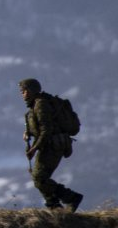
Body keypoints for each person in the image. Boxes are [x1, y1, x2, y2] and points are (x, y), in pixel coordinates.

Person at [20, 78, 84, 211]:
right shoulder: (37, 104)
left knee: (39, 177)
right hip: (51, 144)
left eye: (24, 91)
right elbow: (42, 128)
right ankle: (54, 206)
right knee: (39, 178)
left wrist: (34, 148)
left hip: (54, 145)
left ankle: (69, 198)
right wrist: (29, 134)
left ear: (31, 91)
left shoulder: (40, 105)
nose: (22, 94)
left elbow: (46, 129)